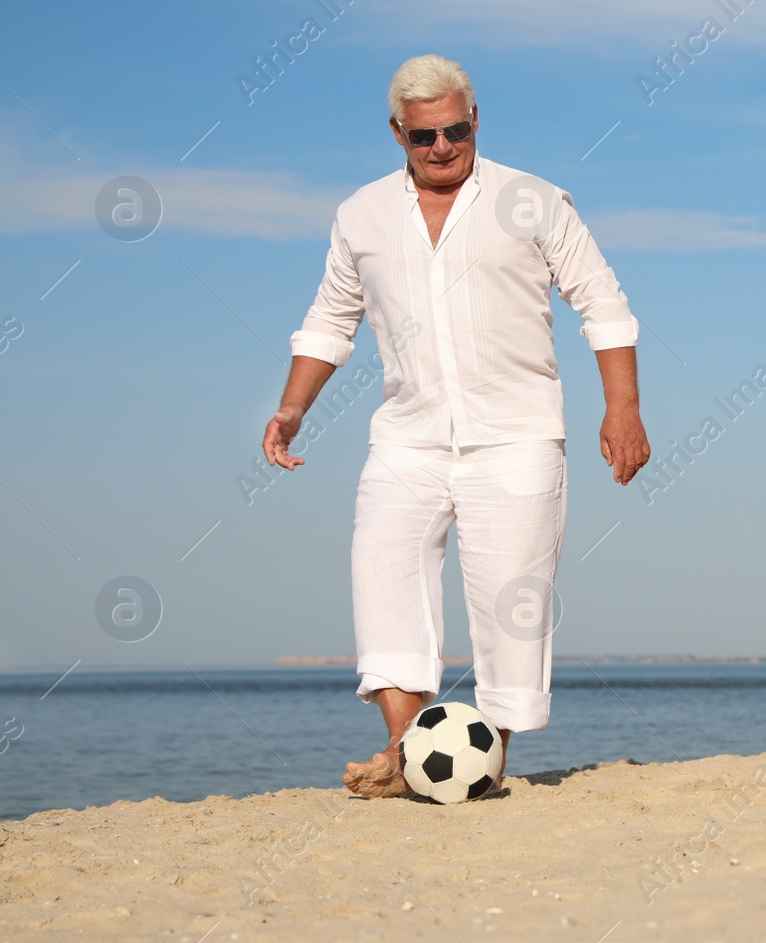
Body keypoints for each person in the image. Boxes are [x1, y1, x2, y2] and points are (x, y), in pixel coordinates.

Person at [260, 54, 650, 797]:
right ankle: (412, 754)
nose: (442, 147)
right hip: (407, 438)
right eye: (423, 137)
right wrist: (291, 408)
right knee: (381, 579)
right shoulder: (360, 215)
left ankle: (481, 760)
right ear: (396, 133)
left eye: (456, 130)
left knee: (513, 605)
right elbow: (329, 321)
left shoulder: (533, 201)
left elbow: (604, 304)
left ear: (477, 121)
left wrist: (622, 407)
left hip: (517, 437)